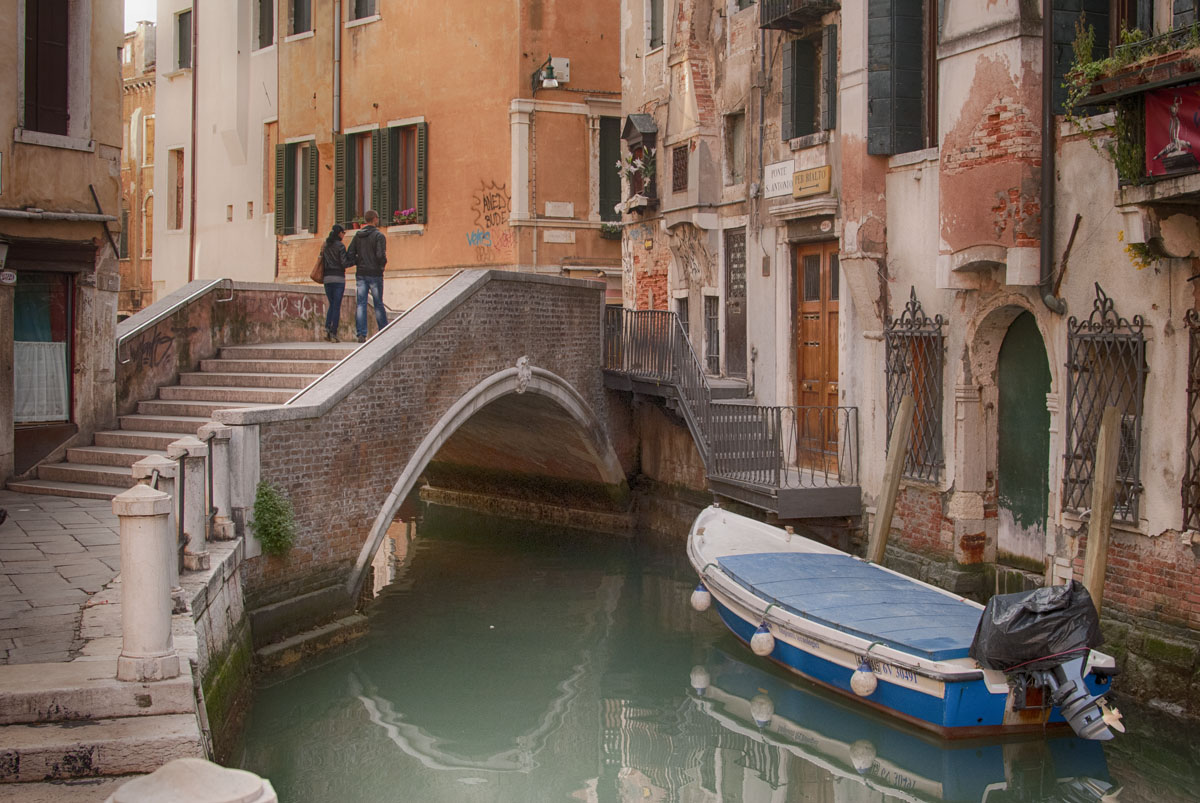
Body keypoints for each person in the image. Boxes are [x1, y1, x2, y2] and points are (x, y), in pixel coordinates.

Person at [347, 209, 388, 343]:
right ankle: (383, 330)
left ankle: (361, 333)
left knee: (361, 304)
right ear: (375, 219)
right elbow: (380, 255)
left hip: (361, 273)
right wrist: (382, 266)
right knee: (378, 303)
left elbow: (350, 253)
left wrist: (358, 261)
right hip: (375, 273)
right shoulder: (379, 236)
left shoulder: (358, 236)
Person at [321, 224, 353, 342]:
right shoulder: (340, 246)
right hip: (338, 278)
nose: (344, 235)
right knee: (336, 306)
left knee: (332, 304)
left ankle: (327, 328)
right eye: (343, 233)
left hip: (327, 279)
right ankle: (333, 332)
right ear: (339, 233)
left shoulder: (326, 245)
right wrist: (354, 261)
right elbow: (344, 263)